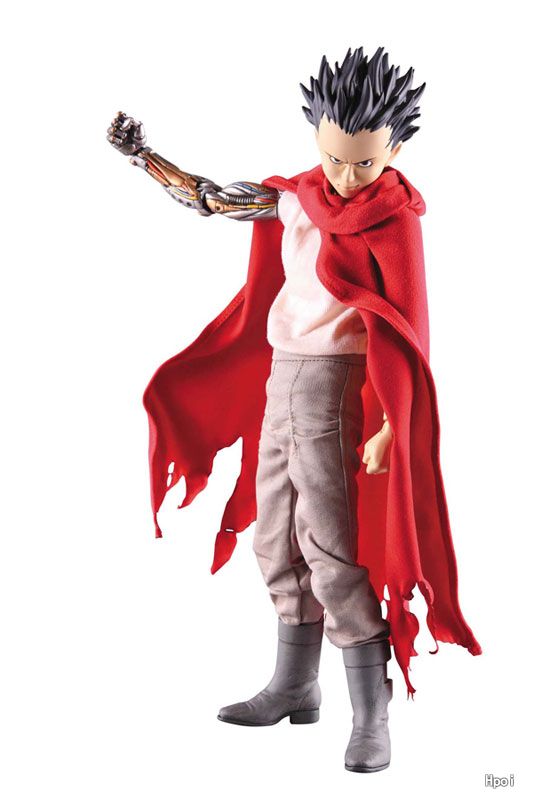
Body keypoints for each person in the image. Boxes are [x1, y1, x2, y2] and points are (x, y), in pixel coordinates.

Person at [107, 45, 481, 773]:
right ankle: (294, 685)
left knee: (330, 546)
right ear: (316, 135)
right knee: (274, 537)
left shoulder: (391, 219)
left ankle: (371, 712)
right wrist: (144, 157)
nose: (346, 176)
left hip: (335, 386)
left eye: (364, 162)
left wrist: (389, 423)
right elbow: (212, 198)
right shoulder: (299, 196)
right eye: (335, 157)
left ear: (395, 149)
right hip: (282, 375)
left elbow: (410, 327)